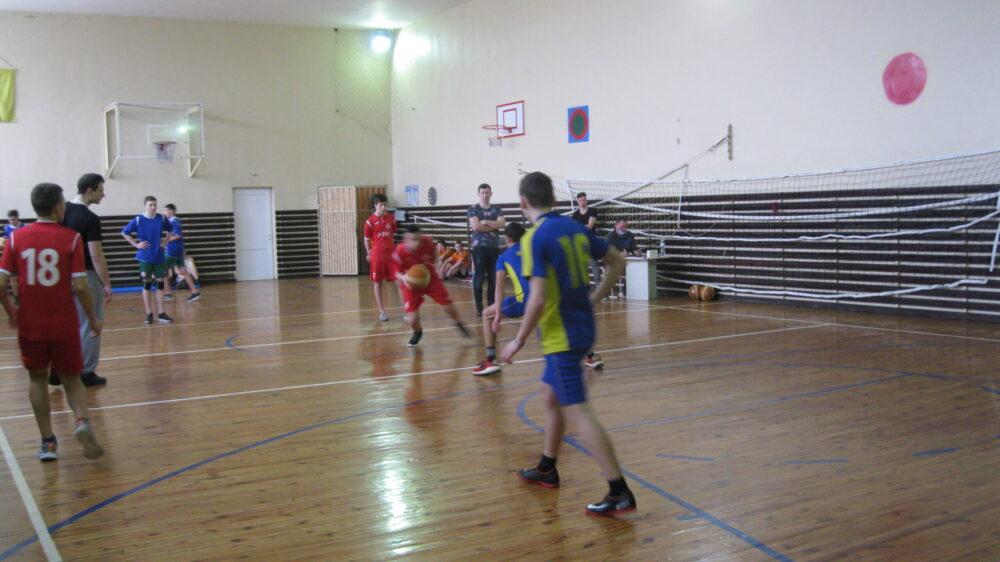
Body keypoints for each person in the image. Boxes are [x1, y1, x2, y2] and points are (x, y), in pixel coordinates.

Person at [500, 171, 634, 517]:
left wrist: (517, 340)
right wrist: (595, 299)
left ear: (523, 203)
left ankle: (618, 490)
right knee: (549, 396)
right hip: (582, 328)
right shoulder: (575, 228)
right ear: (555, 199)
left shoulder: (534, 238)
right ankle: (547, 468)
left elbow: (537, 297)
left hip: (561, 336)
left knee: (577, 410)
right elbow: (618, 261)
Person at [0, 183, 104, 461]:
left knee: (37, 378)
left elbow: (0, 283)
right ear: (59, 207)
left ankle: (47, 442)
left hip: (31, 323)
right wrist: (93, 319)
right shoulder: (72, 238)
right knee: (71, 378)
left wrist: (11, 311)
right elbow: (81, 286)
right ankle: (81, 421)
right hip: (63, 323)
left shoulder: (15, 238)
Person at [53, 173, 113, 387]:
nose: (103, 194)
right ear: (89, 191)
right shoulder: (90, 218)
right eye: (100, 190)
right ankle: (85, 372)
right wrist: (106, 283)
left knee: (65, 324)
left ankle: (58, 367)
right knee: (91, 322)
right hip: (84, 275)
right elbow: (96, 255)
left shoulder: (60, 211)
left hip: (59, 275)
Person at [392, 225, 471, 347]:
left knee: (448, 306)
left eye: (418, 239)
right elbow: (396, 273)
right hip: (411, 283)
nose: (415, 243)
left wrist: (436, 266)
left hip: (430, 278)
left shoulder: (428, 241)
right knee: (412, 320)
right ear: (406, 240)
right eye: (412, 240)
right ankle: (417, 332)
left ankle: (458, 323)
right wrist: (405, 278)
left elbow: (435, 254)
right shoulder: (399, 251)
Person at [472, 222, 528, 376]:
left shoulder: (503, 257)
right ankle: (588, 356)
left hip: (524, 301)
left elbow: (499, 285)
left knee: (486, 314)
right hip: (544, 297)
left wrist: (497, 315)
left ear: (507, 238)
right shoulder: (533, 250)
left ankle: (491, 360)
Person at [121, 195, 173, 325]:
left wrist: (165, 242)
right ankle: (149, 314)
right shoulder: (139, 219)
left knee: (160, 284)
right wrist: (136, 244)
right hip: (145, 257)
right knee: (147, 284)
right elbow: (125, 232)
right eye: (150, 205)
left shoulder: (161, 218)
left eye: (155, 204)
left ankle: (161, 313)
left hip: (159, 256)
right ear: (145, 206)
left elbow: (170, 231)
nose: (153, 207)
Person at [466, 183, 505, 316]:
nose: (484, 195)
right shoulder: (473, 209)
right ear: (478, 194)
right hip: (479, 248)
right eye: (482, 193)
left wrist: (485, 222)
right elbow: (476, 227)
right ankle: (479, 307)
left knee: (493, 278)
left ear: (491, 194)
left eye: (487, 192)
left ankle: (491, 305)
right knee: (479, 277)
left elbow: (502, 223)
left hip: (494, 247)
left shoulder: (497, 209)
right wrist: (493, 226)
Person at [364, 193, 402, 322]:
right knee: (378, 283)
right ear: (375, 205)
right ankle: (382, 312)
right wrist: (369, 252)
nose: (384, 207)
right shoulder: (370, 222)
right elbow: (366, 239)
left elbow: (393, 234)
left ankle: (407, 309)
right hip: (377, 256)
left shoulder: (392, 218)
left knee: (400, 281)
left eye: (385, 204)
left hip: (391, 255)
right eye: (381, 205)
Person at [161, 204, 202, 303]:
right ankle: (195, 292)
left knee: (161, 270)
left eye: (166, 210)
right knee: (184, 272)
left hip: (172, 251)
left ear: (172, 211)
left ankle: (168, 293)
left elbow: (178, 235)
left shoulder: (173, 221)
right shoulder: (175, 221)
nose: (164, 212)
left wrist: (164, 242)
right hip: (178, 250)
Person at [605, 218, 641, 299]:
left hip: (626, 262)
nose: (624, 229)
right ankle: (606, 293)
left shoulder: (630, 235)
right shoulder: (610, 236)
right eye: (622, 227)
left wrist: (637, 252)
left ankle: (625, 292)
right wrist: (619, 255)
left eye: (626, 227)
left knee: (634, 269)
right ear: (616, 226)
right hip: (612, 262)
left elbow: (634, 248)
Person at [3, 209, 23, 300]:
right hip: (12, 256)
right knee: (13, 277)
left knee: (22, 277)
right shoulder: (6, 228)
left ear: (17, 218)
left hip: (21, 255)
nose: (12, 221)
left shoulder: (23, 227)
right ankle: (16, 296)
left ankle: (24, 294)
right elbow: (5, 241)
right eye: (10, 219)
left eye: (13, 219)